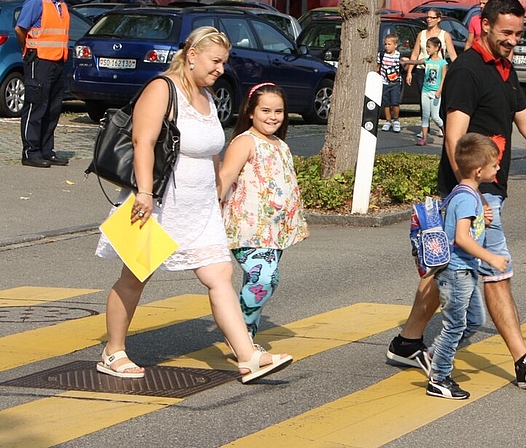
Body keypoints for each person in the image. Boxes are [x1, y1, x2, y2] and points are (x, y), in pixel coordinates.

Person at [387, 0, 526, 390]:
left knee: (449, 268)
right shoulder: (467, 71)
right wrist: (471, 193)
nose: (513, 41)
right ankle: (523, 362)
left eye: (518, 34)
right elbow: (453, 136)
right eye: (506, 33)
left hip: (483, 192)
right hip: (472, 194)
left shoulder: (504, 68)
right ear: (484, 26)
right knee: (498, 271)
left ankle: (407, 341)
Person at [94, 26, 292, 384]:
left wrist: (219, 191)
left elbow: (212, 151)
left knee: (220, 276)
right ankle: (113, 351)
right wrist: (143, 192)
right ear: (192, 55)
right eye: (215, 61)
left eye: (224, 62)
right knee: (135, 276)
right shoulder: (162, 89)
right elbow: (143, 141)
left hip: (200, 207)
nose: (220, 68)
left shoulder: (207, 97)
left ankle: (248, 357)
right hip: (157, 203)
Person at [218, 82, 308, 340]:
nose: (272, 117)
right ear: (250, 112)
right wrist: (211, 208)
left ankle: (247, 335)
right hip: (247, 228)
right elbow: (225, 176)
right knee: (264, 280)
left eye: (278, 111)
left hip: (274, 230)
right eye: (265, 111)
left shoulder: (280, 144)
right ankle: (239, 335)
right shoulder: (245, 141)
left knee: (260, 281)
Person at [425, 133, 509, 400]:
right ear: (479, 170)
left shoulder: (468, 195)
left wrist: (481, 218)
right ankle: (439, 378)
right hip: (457, 272)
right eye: (495, 165)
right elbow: (461, 238)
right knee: (454, 326)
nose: (498, 168)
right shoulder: (465, 198)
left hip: (466, 271)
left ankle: (436, 354)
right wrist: (491, 258)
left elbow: (466, 227)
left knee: (473, 321)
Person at [14, 0, 70, 168]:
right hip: (39, 60)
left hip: (58, 61)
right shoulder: (36, 3)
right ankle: (30, 152)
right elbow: (20, 29)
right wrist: (28, 50)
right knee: (36, 106)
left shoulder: (61, 6)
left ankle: (46, 150)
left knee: (52, 108)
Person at [405, 7, 458, 140]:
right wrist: (410, 71)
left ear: (439, 19)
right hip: (422, 70)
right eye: (427, 17)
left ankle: (442, 127)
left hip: (438, 71)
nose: (428, 19)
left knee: (438, 100)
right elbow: (415, 53)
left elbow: (452, 54)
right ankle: (425, 130)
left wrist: (459, 70)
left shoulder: (444, 35)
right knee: (423, 102)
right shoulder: (421, 34)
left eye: (432, 17)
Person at [401, 37, 447, 147]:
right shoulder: (427, 60)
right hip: (425, 91)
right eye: (426, 46)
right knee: (425, 115)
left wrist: (439, 90)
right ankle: (424, 138)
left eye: (429, 47)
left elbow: (444, 79)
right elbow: (416, 61)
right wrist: (405, 61)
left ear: (437, 48)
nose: (427, 49)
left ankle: (446, 134)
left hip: (435, 92)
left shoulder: (442, 63)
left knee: (435, 116)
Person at [377, 34, 403, 133]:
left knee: (395, 102)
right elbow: (378, 66)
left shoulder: (398, 55)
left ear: (395, 45)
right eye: (385, 44)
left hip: (395, 82)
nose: (387, 46)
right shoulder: (382, 55)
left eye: (389, 44)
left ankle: (396, 120)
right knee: (386, 103)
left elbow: (402, 66)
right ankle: (388, 120)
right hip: (384, 82)